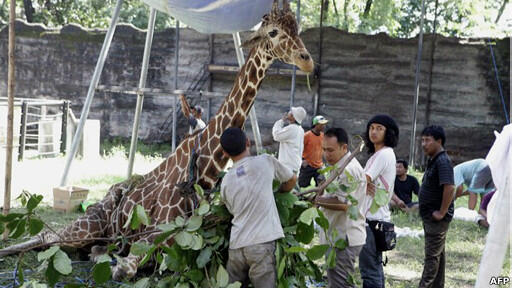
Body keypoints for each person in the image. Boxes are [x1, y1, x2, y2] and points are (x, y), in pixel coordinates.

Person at [219, 127, 297, 288]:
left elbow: (231, 210)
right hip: (261, 245)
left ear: (225, 153)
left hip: (236, 247)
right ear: (248, 142)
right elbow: (291, 179)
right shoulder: (265, 161)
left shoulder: (226, 181)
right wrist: (280, 193)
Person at [315, 127, 367, 288]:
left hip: (345, 238)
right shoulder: (338, 166)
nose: (326, 154)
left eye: (330, 150)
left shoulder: (348, 170)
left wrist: (316, 200)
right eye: (324, 150)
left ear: (344, 148)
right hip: (336, 236)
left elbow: (343, 204)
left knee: (340, 285)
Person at [359, 114, 399, 288]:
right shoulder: (378, 155)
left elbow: (362, 179)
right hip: (376, 218)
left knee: (369, 272)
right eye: (371, 128)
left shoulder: (384, 154)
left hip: (372, 220)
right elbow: (363, 182)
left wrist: (362, 183)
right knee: (375, 268)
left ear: (388, 133)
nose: (374, 132)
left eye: (379, 129)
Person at [418, 125, 455, 288]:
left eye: (427, 140)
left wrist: (441, 212)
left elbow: (450, 187)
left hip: (437, 218)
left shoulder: (443, 161)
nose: (424, 144)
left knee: (431, 258)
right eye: (422, 140)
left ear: (439, 141)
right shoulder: (434, 159)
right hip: (430, 216)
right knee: (438, 255)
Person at [272, 106, 306, 173]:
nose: (289, 113)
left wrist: (281, 121)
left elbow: (276, 136)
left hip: (287, 167)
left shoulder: (292, 128)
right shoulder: (300, 129)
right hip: (294, 165)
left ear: (293, 117)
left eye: (291, 112)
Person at [299, 115, 328, 187]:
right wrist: (302, 160)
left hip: (319, 166)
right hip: (307, 165)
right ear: (316, 125)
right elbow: (299, 148)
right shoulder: (307, 135)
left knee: (321, 186)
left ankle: (317, 198)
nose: (324, 126)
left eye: (324, 124)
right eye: (322, 124)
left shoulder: (323, 136)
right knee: (302, 185)